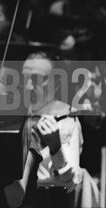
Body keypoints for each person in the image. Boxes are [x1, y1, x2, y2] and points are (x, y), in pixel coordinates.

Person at [23, 52, 100, 207]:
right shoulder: (15, 116)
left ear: (56, 82)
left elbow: (70, 180)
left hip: (46, 200)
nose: (29, 86)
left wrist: (55, 148)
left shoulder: (66, 119)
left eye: (38, 79)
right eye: (25, 78)